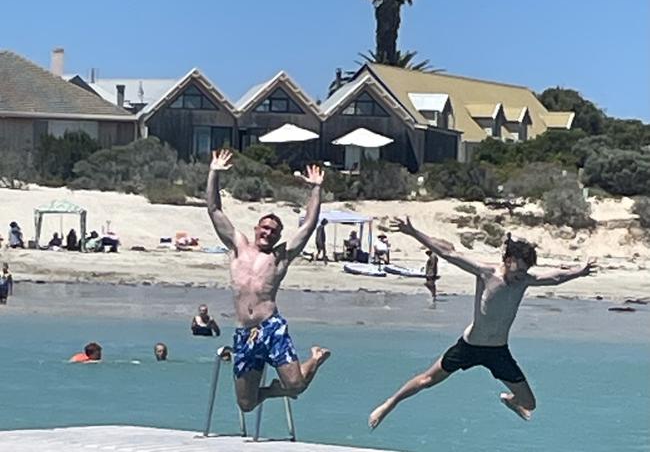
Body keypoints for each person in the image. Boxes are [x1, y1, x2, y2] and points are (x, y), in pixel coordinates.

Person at [368, 218, 597, 428]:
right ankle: (390, 403)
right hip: (470, 346)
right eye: (519, 269)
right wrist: (413, 232)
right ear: (508, 260)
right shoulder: (486, 273)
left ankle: (510, 401)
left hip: (498, 351)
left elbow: (556, 277)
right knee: (427, 379)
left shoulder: (524, 281)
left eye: (526, 271)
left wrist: (580, 271)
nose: (521, 276)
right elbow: (448, 253)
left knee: (530, 404)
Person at [206, 149, 330, 412]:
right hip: (244, 332)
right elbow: (214, 209)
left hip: (271, 327)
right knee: (246, 404)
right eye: (265, 228)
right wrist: (214, 172)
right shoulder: (238, 247)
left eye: (274, 231)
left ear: (278, 236)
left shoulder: (280, 257)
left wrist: (316, 189)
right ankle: (274, 390)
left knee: (296, 385)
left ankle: (314, 359)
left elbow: (308, 225)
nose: (268, 232)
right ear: (256, 229)